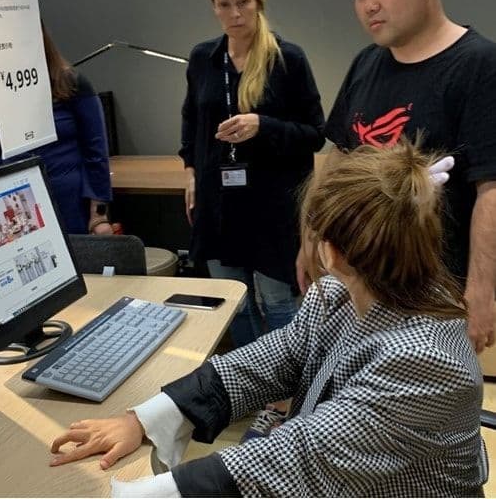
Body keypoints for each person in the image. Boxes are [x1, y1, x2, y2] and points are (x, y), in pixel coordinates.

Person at [48, 139, 485, 497]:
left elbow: (302, 456)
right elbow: (269, 360)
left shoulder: (425, 359)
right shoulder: (341, 294)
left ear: (331, 252)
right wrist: (143, 419)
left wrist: (142, 493)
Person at [309, 0, 496, 353]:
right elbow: (339, 153)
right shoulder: (366, 63)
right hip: (361, 288)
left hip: (436, 298)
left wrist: (483, 291)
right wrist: (313, 234)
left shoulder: (480, 65)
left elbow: (491, 188)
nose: (368, 4)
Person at [179, 0, 325, 349]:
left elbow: (316, 134)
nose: (234, 13)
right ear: (213, 6)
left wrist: (265, 125)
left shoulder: (287, 59)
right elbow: (191, 120)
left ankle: (287, 391)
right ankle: (252, 383)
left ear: (258, 1)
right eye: (223, 4)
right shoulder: (202, 58)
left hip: (272, 204)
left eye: (242, 1)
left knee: (278, 301)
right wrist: (191, 173)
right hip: (220, 201)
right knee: (234, 301)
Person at [0, 24, 113, 236]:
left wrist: (99, 214)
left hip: (71, 205)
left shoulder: (70, 82)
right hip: (18, 208)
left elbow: (96, 151)